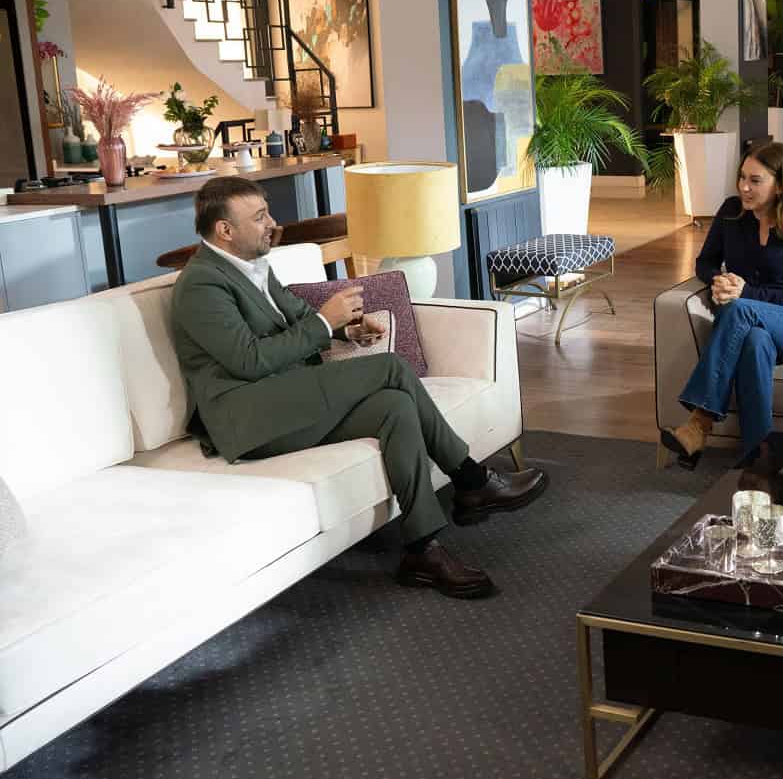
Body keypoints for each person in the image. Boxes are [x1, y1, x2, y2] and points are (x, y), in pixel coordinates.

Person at [170, 177, 548, 600]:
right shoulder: (201, 285)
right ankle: (471, 479)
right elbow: (249, 360)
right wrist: (323, 322)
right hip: (249, 416)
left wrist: (346, 328)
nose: (272, 223)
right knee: (390, 367)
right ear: (225, 230)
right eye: (259, 217)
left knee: (394, 407)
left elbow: (297, 315)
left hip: (288, 399)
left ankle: (422, 550)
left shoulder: (252, 266)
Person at [661, 142, 783, 466]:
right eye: (742, 177)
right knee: (754, 342)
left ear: (780, 185)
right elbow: (706, 262)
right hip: (754, 326)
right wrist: (718, 280)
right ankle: (759, 459)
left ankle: (699, 423)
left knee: (739, 308)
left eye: (755, 180)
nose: (744, 187)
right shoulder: (731, 213)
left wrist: (747, 293)